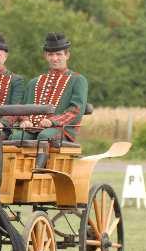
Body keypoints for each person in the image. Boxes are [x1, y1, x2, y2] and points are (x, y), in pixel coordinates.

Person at [10, 32, 88, 167]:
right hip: (33, 128)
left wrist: (52, 121)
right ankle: (14, 172)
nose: (55, 58)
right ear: (46, 56)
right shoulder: (35, 82)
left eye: (59, 54)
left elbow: (76, 110)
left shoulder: (78, 80)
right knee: (16, 136)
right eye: (51, 54)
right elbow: (24, 107)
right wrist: (25, 120)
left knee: (44, 136)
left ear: (67, 55)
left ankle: (38, 170)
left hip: (62, 129)